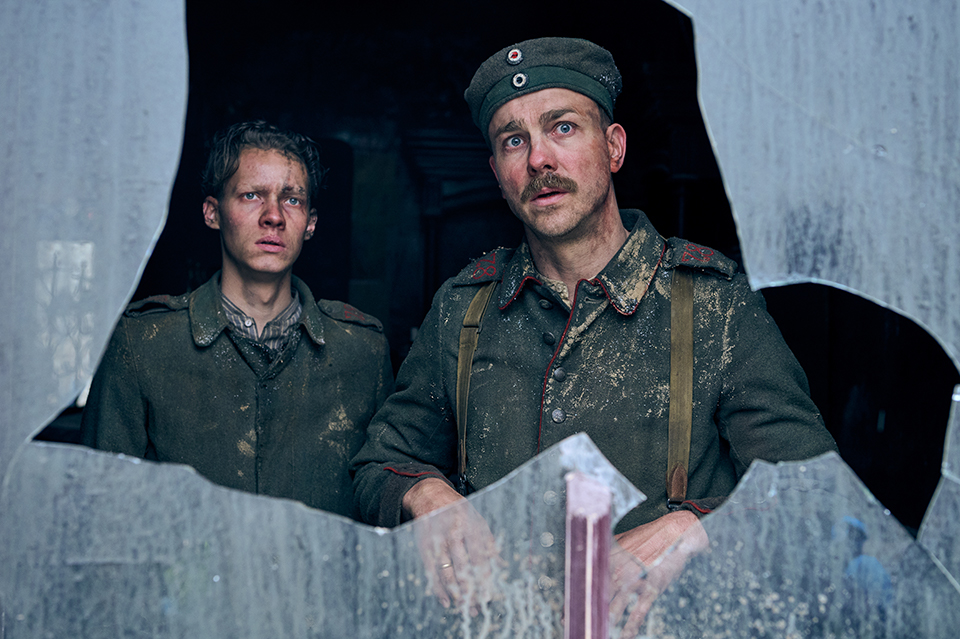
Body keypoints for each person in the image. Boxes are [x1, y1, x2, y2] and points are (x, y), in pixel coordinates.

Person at [352, 37, 835, 562]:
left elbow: (813, 495)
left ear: (614, 147)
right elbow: (379, 464)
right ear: (497, 174)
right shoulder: (463, 309)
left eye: (563, 127)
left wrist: (698, 527)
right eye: (513, 140)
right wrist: (424, 494)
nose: (539, 158)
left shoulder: (713, 306)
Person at [81, 120, 393, 519]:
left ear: (310, 223)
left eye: (292, 199)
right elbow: (100, 507)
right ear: (213, 213)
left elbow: (379, 502)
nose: (274, 216)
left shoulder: (361, 351)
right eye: (251, 195)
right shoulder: (143, 343)